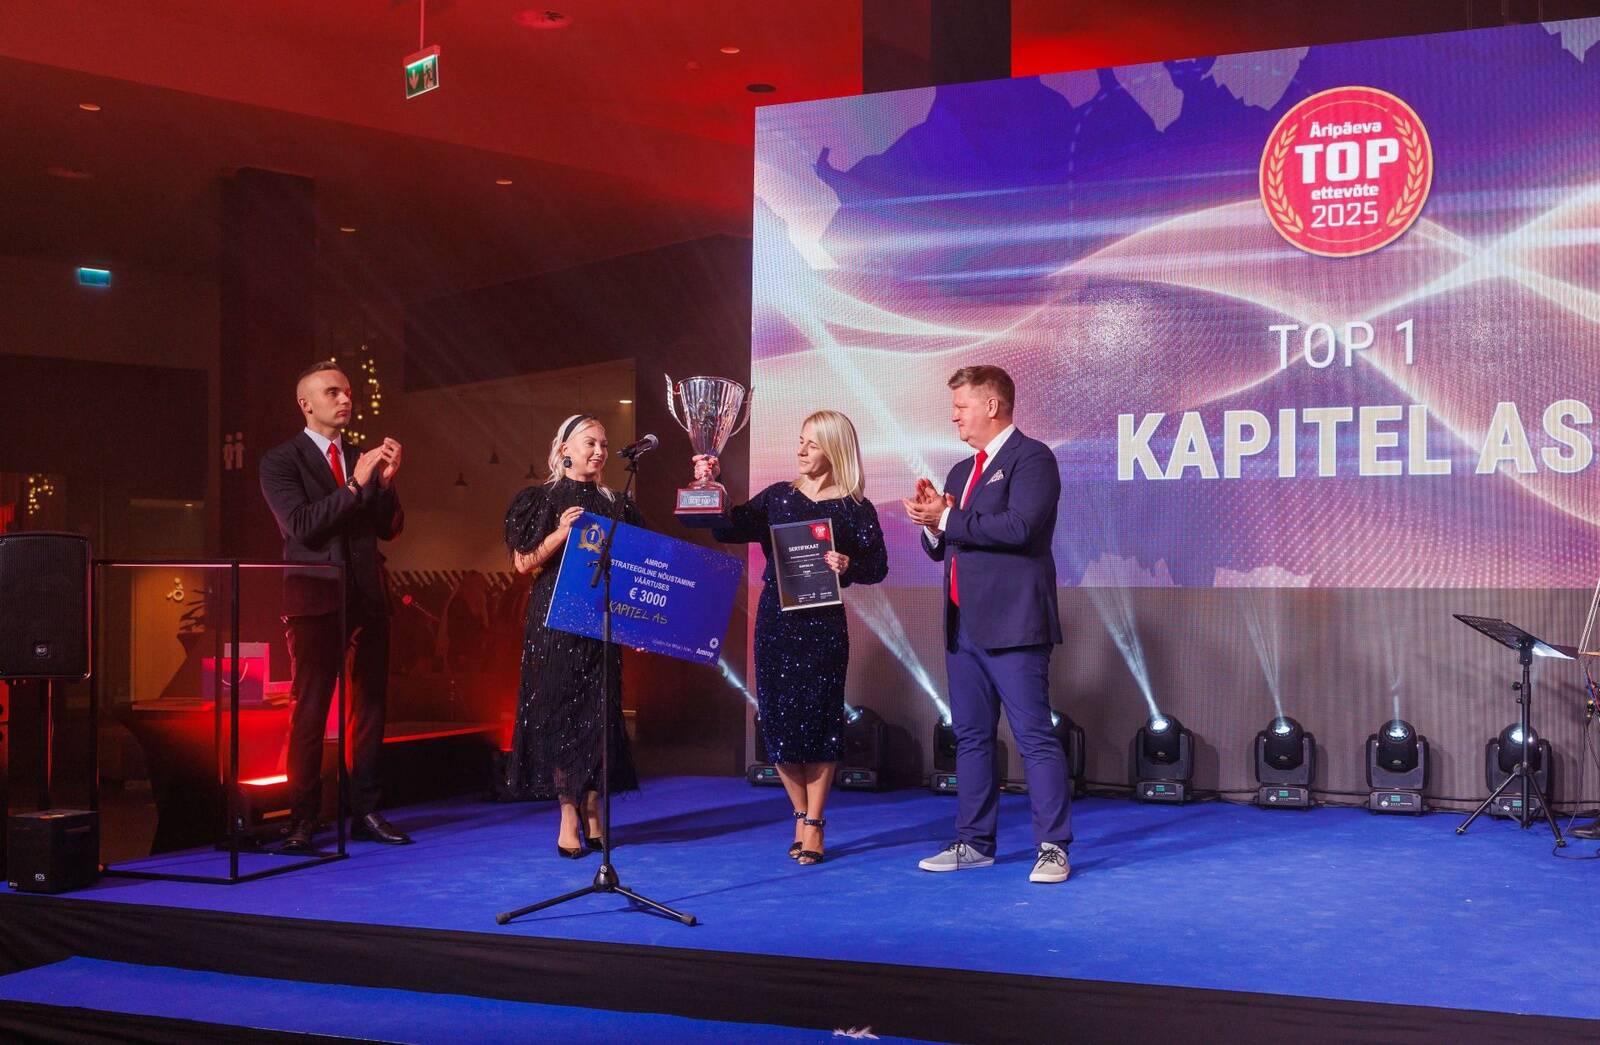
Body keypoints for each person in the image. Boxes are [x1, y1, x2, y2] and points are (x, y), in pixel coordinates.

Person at [902, 365, 1071, 884]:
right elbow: (950, 545)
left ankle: (1053, 847)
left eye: (962, 406)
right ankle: (975, 842)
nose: (954, 416)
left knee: (1034, 737)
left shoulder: (1033, 458)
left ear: (992, 406)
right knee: (972, 737)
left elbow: (1019, 528)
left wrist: (947, 519)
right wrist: (932, 525)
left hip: (1015, 625)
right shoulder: (960, 472)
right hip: (963, 627)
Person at [701, 410, 888, 864]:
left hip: (823, 627)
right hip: (776, 624)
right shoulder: (779, 498)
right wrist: (712, 483)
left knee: (820, 724)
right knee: (778, 723)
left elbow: (877, 566)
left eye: (812, 443)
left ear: (835, 449)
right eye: (800, 440)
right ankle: (801, 814)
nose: (801, 450)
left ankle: (816, 823)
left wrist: (848, 565)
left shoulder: (855, 508)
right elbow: (729, 525)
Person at [260, 361, 412, 851]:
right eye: (333, 392)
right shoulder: (281, 461)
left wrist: (384, 484)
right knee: (310, 711)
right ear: (305, 403)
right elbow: (303, 526)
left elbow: (389, 528)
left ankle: (365, 810)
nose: (345, 399)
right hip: (315, 599)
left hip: (368, 597)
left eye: (347, 392)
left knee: (369, 709)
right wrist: (354, 486)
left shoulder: (360, 458)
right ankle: (302, 819)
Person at [501, 414, 640, 857]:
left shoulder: (617, 504)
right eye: (589, 443)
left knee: (599, 714)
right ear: (564, 449)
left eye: (603, 444)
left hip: (600, 622)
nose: (599, 451)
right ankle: (567, 813)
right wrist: (562, 532)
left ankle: (594, 806)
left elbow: (640, 566)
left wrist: (642, 622)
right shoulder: (540, 499)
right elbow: (523, 563)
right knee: (560, 714)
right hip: (554, 623)